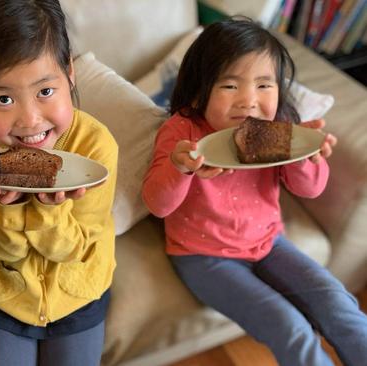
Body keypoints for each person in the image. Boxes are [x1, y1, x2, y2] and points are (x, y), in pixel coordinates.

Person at [142, 17, 367, 366]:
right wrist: (180, 167)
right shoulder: (182, 131)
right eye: (230, 86)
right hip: (203, 256)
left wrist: (305, 155)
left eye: (264, 86)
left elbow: (310, 188)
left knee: (337, 302)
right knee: (289, 326)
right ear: (200, 89)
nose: (249, 101)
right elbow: (157, 204)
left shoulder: (279, 128)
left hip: (268, 242)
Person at [0, 1, 118, 365]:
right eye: (4, 98)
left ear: (69, 72)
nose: (29, 120)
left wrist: (49, 209)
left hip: (78, 291)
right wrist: (5, 210)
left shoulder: (95, 146)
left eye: (45, 91)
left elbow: (72, 250)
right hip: (4, 294)